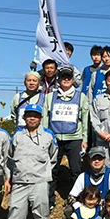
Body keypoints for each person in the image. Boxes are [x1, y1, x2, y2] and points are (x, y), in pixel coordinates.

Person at [2, 104, 58, 219]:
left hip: (40, 182)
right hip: (19, 182)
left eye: (35, 115)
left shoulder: (48, 135)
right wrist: (9, 178)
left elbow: (53, 158)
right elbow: (9, 158)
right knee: (14, 216)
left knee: (41, 217)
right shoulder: (17, 135)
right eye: (29, 115)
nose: (32, 118)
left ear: (40, 118)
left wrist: (44, 173)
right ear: (24, 117)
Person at [42, 66, 90, 210]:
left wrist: (85, 139)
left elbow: (85, 118)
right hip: (55, 139)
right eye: (63, 77)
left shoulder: (80, 97)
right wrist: (46, 137)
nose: (66, 79)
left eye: (69, 77)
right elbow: (45, 118)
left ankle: (78, 199)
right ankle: (49, 201)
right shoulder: (50, 97)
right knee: (52, 170)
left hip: (75, 138)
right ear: (59, 80)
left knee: (76, 170)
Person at [68, 146, 110, 213]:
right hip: (86, 209)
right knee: (68, 210)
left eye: (100, 158)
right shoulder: (83, 176)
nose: (97, 161)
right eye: (94, 158)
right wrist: (78, 207)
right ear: (89, 160)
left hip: (105, 210)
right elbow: (71, 196)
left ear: (104, 159)